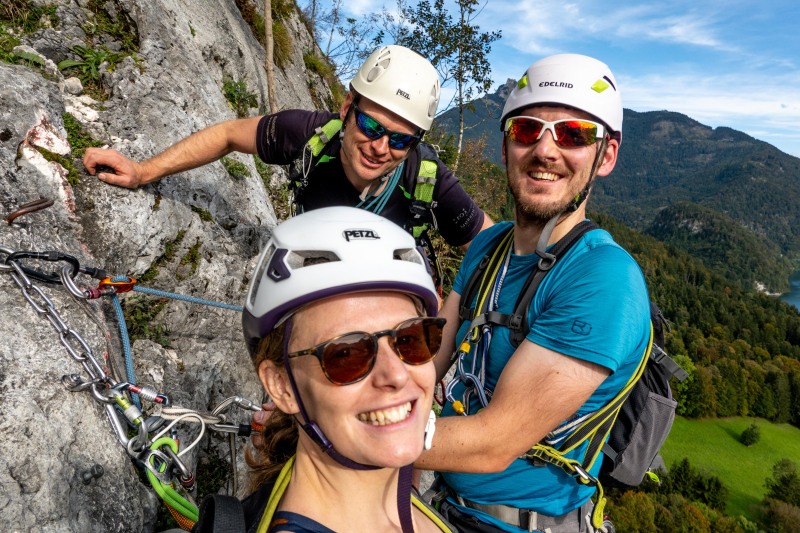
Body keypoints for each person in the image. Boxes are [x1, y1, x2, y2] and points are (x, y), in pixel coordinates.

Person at [413, 54, 652, 532]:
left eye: (573, 134)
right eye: (526, 130)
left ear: (605, 156)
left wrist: (345, 430)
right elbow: (429, 358)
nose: (545, 151)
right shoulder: (489, 246)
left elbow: (492, 442)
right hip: (444, 503)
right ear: (505, 147)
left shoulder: (603, 279)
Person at [82, 45, 492, 256]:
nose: (381, 147)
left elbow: (492, 247)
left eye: (402, 139)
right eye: (371, 126)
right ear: (348, 108)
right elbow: (227, 135)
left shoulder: (427, 179)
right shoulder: (307, 137)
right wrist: (143, 172)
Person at [204, 206, 455, 532]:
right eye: (346, 354)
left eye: (410, 340)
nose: (395, 374)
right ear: (281, 385)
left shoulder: (404, 506)